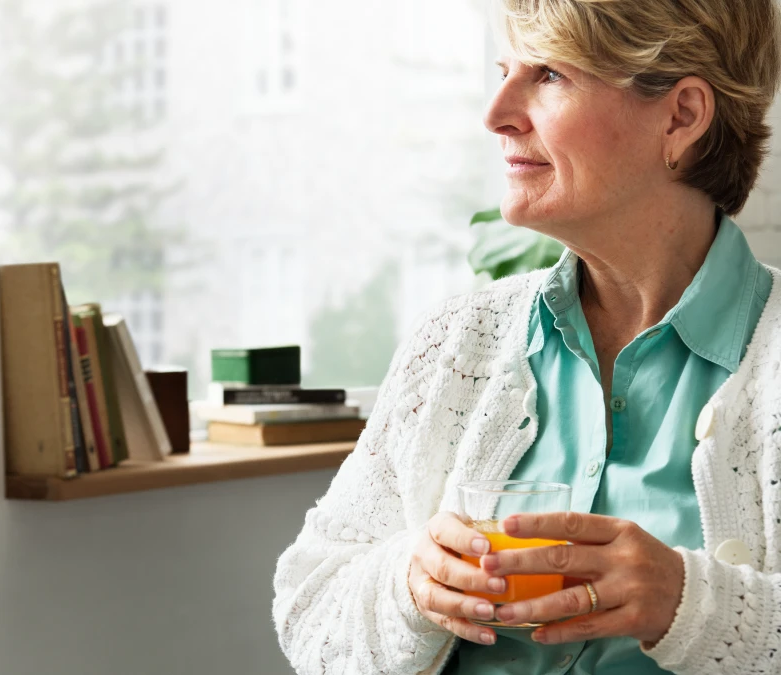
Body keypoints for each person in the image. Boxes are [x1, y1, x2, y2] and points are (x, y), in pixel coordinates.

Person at [272, 0, 781, 673]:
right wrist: (409, 584)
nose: (496, 112)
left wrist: (693, 602)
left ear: (681, 115)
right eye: (505, 70)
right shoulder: (454, 345)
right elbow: (309, 604)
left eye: (548, 76)